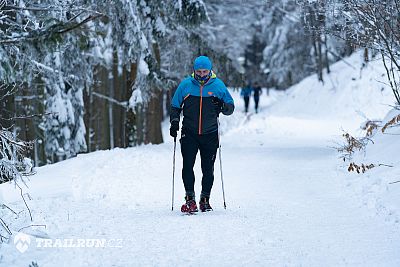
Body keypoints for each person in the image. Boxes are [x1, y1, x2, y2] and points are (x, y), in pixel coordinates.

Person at [170, 56, 235, 213]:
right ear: (194, 70)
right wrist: (174, 122)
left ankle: (205, 200)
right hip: (189, 132)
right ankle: (190, 199)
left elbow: (230, 108)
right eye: (198, 71)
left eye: (205, 71)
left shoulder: (218, 86)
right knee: (187, 166)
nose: (201, 74)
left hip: (210, 134)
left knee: (208, 169)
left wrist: (221, 105)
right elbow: (175, 105)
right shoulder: (186, 85)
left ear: (210, 70)